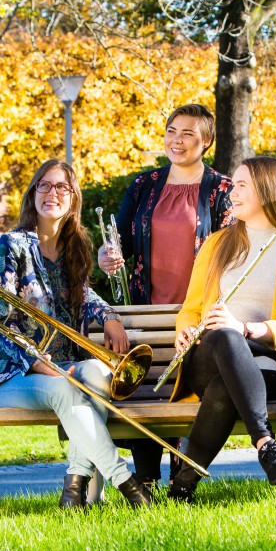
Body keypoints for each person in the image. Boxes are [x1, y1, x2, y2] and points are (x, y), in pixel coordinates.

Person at [0, 159, 154, 509]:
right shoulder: (12, 244)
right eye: (44, 185)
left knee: (96, 373)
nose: (52, 193)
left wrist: (108, 317)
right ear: (33, 194)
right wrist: (38, 362)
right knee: (68, 387)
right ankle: (127, 482)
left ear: (73, 198)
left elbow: (83, 293)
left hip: (67, 367)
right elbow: (4, 314)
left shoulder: (74, 247)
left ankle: (78, 490)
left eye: (62, 187)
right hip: (13, 374)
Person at [165, 156, 276, 503]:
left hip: (269, 363)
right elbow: (191, 308)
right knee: (224, 334)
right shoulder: (216, 244)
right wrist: (185, 329)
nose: (231, 192)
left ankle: (182, 486)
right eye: (232, 184)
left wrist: (248, 328)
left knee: (227, 381)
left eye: (241, 185)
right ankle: (266, 443)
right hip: (208, 356)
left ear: (267, 190)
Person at [97, 103, 233, 486]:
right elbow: (117, 240)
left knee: (187, 389)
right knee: (147, 385)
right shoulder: (144, 186)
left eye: (188, 133)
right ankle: (145, 477)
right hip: (146, 308)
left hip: (197, 312)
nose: (177, 140)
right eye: (172, 130)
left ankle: (182, 475)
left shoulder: (222, 190)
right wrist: (107, 255)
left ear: (206, 141)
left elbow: (231, 251)